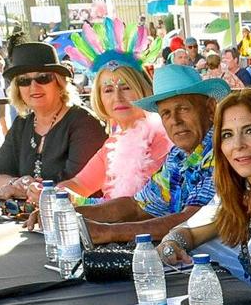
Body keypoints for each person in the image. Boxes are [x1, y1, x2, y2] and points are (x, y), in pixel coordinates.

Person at [70, 63, 223, 246]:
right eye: (165, 113)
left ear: (210, 109)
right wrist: (69, 214)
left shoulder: (222, 150)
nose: (175, 121)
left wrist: (108, 232)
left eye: (183, 109)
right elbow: (138, 206)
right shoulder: (178, 155)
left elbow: (192, 220)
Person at [163, 88, 251, 281]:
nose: (238, 145)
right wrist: (171, 244)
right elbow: (191, 232)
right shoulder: (241, 187)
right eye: (227, 135)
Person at [0, 42, 107, 198]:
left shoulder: (85, 123)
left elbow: (77, 183)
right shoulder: (21, 124)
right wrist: (15, 183)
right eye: (24, 80)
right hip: (30, 218)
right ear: (18, 89)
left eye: (43, 78)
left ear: (59, 83)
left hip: (77, 217)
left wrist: (30, 191)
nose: (33, 86)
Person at [60, 56, 170, 201]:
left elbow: (139, 205)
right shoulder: (112, 145)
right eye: (108, 90)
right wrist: (48, 193)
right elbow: (79, 184)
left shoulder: (164, 137)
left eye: (126, 88)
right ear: (99, 98)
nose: (118, 97)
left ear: (143, 90)